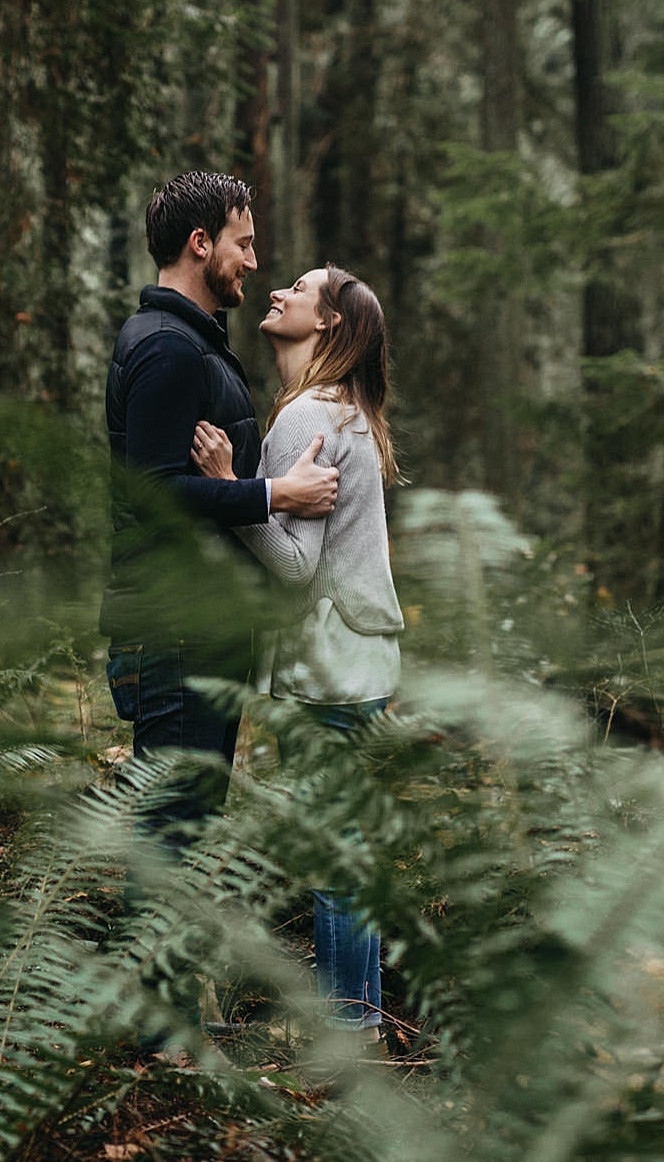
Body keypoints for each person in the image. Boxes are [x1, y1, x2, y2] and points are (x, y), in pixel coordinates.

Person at [190, 264, 403, 1047]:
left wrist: (231, 486)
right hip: (364, 666)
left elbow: (292, 567)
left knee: (336, 861)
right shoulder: (349, 412)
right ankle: (366, 1029)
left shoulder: (304, 416)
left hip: (328, 676)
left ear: (329, 326)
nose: (276, 290)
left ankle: (346, 1040)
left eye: (300, 289)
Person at [101, 172, 339, 858]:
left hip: (196, 630)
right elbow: (157, 493)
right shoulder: (170, 348)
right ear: (201, 244)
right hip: (174, 631)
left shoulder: (188, 340)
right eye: (245, 243)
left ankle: (166, 965)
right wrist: (274, 496)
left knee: (187, 829)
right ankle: (150, 966)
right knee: (172, 836)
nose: (256, 263)